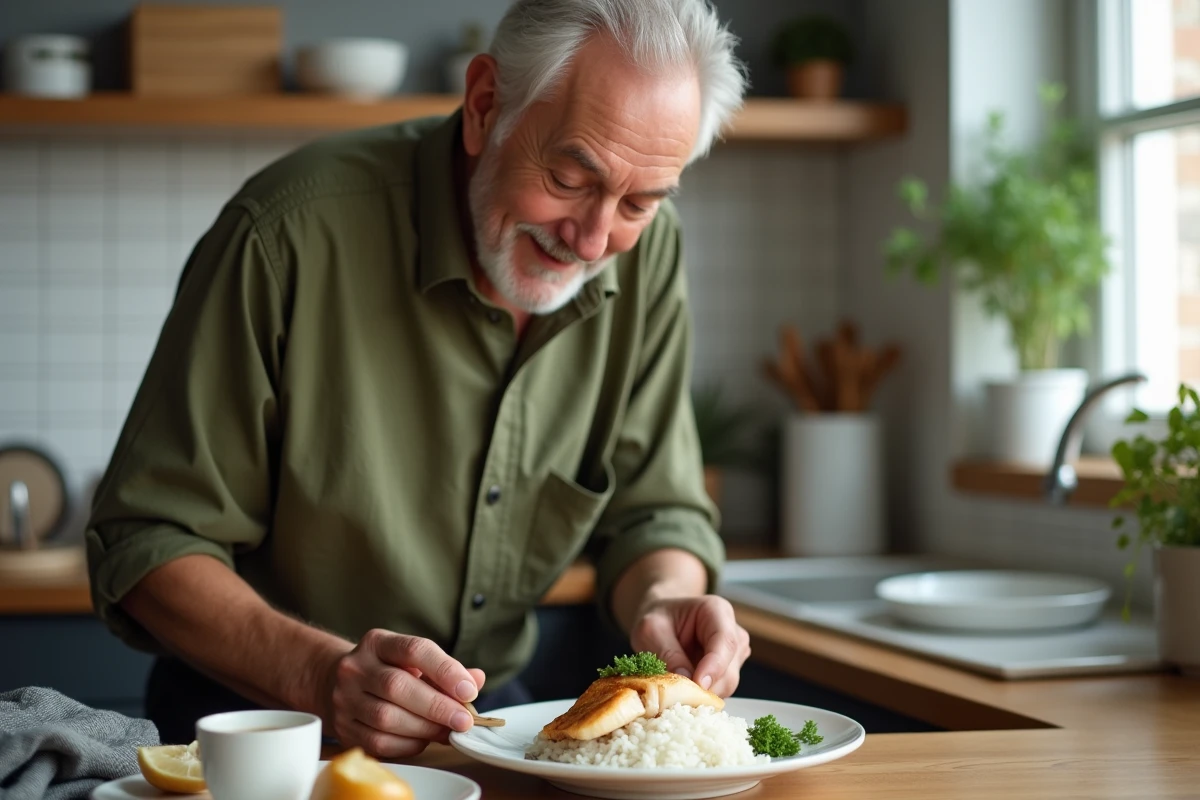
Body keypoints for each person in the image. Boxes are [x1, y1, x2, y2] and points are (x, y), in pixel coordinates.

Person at [85, 0, 751, 756]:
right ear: (484, 106)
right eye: (569, 177)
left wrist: (666, 600)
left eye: (638, 201)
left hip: (492, 726)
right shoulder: (285, 233)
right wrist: (319, 674)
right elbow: (146, 538)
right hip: (264, 728)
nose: (594, 239)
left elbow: (654, 512)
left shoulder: (648, 255)